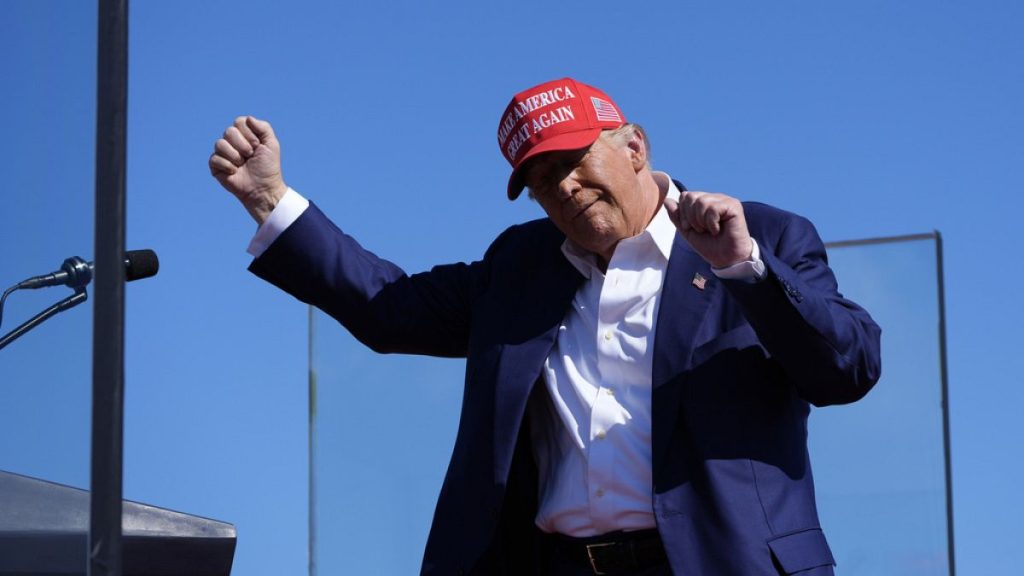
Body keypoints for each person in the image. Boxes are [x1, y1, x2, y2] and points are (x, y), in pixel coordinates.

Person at [209, 77, 881, 576]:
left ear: (635, 147)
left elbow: (847, 368)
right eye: (539, 179)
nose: (562, 188)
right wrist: (271, 200)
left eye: (573, 161)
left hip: (720, 562)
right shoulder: (520, 267)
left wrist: (748, 270)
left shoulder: (760, 235)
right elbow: (391, 309)